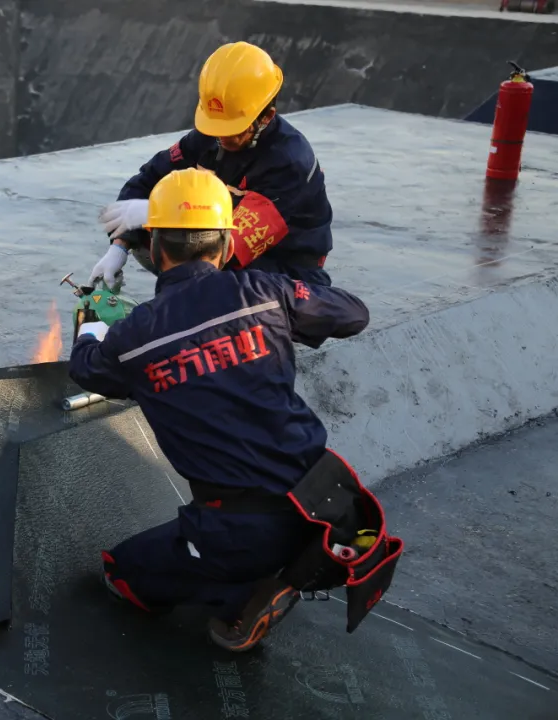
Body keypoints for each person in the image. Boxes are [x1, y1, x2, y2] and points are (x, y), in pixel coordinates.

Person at [68, 168, 369, 651]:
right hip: (327, 500)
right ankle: (299, 563)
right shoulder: (266, 292)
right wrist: (290, 297)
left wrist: (90, 325)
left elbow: (87, 369)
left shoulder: (136, 336)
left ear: (157, 250)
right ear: (227, 247)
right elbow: (354, 313)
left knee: (119, 574)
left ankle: (246, 591)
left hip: (237, 532)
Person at [89, 41, 334, 291]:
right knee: (152, 236)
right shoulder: (212, 134)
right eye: (216, 127)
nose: (222, 138)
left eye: (233, 129)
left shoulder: (288, 162)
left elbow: (231, 246)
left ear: (266, 117)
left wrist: (159, 212)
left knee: (189, 247)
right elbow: (147, 180)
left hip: (283, 271)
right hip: (225, 256)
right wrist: (119, 247)